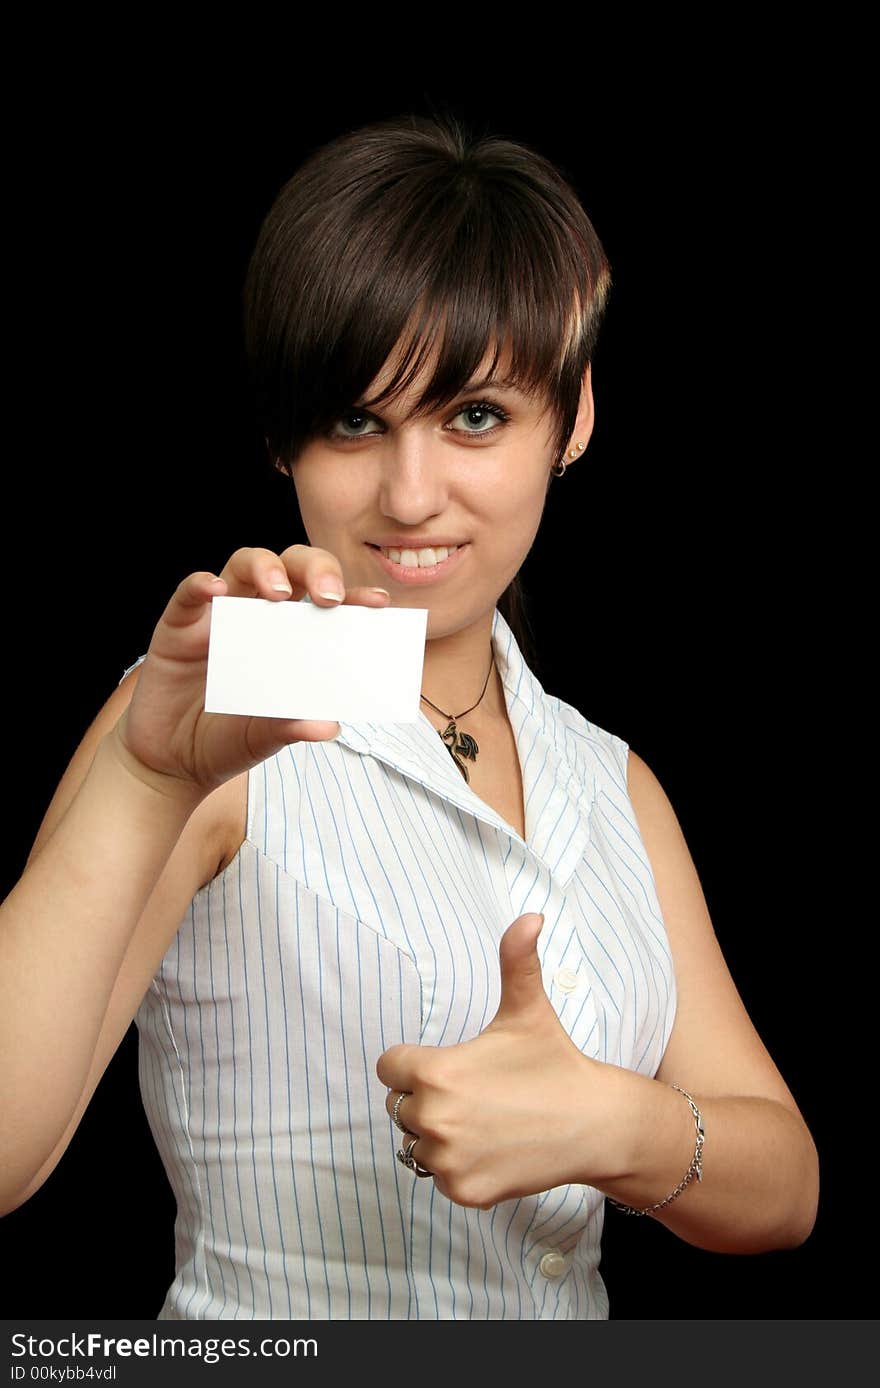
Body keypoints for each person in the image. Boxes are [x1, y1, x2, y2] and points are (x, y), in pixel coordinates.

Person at [0, 112, 818, 1321]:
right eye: (355, 421)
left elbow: (783, 1183)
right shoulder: (218, 712)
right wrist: (142, 776)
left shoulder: (608, 779)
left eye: (475, 416)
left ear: (574, 416)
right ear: (286, 437)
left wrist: (617, 1123)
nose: (411, 493)